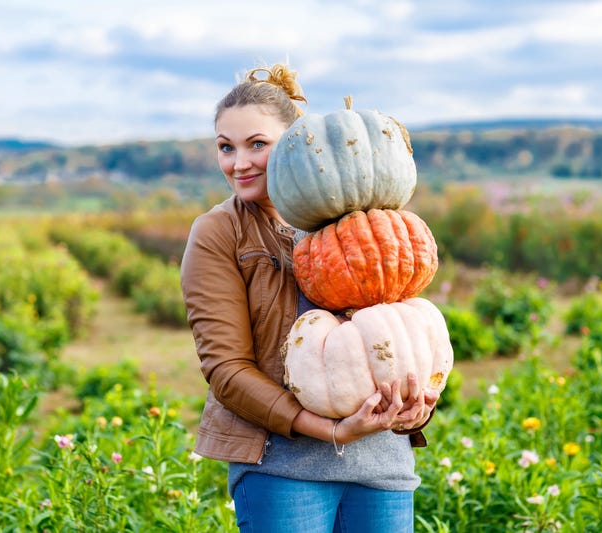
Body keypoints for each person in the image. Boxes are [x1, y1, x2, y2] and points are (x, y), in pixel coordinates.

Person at [179, 63, 440, 533]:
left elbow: (407, 335)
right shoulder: (219, 232)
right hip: (282, 469)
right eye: (226, 147)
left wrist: (419, 402)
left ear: (298, 142)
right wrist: (333, 431)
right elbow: (226, 370)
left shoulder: (365, 219)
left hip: (382, 464)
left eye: (258, 144)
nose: (239, 163)